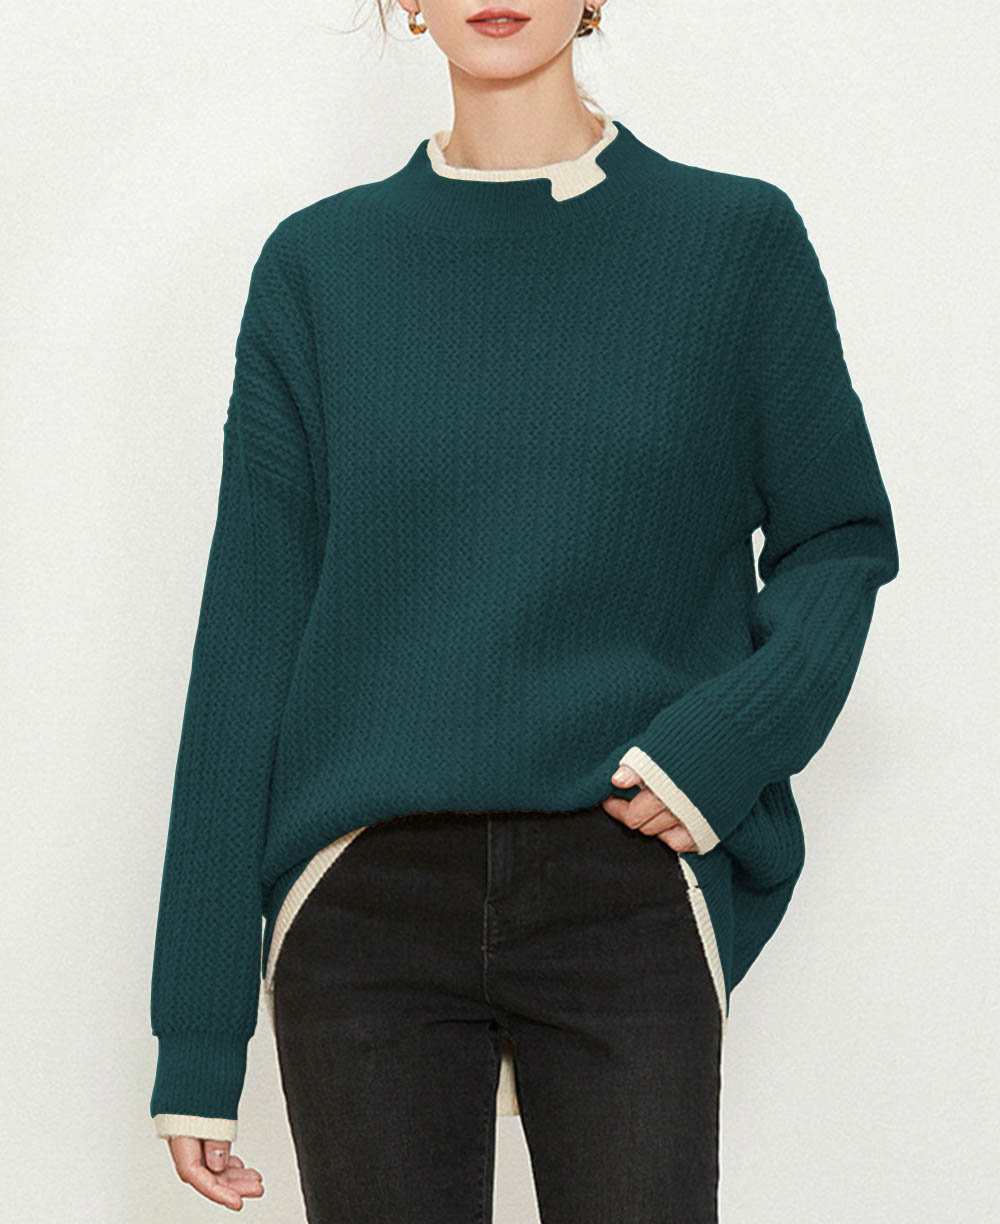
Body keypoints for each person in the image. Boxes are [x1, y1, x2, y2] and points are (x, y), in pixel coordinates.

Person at [148, 2, 900, 1219]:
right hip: (365, 897)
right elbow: (247, 644)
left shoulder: (732, 243)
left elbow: (839, 538)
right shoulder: (320, 267)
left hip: (622, 877)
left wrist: (725, 743)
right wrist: (196, 1032)